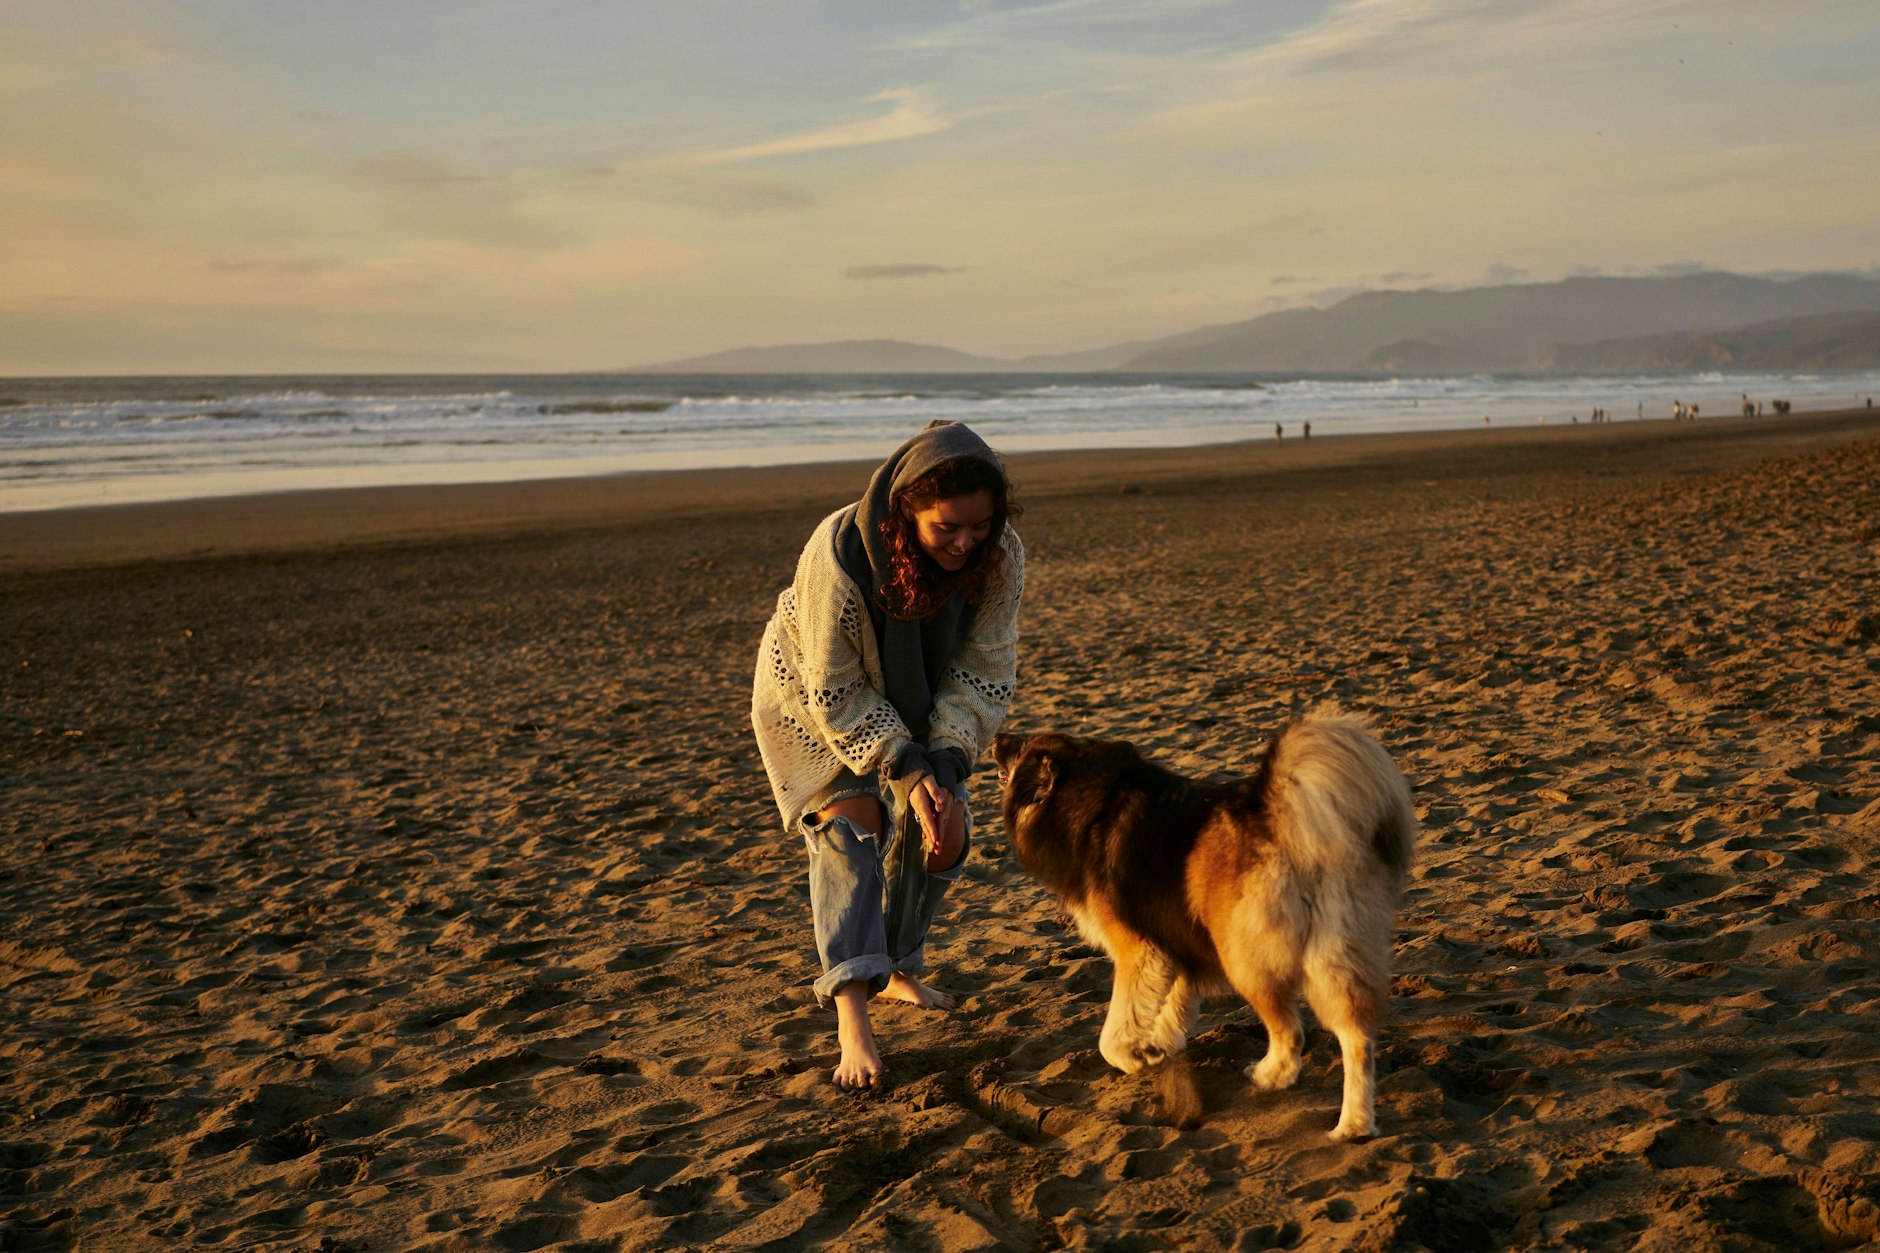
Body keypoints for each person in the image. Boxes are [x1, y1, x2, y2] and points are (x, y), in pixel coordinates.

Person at [750, 421, 1024, 1091]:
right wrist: (902, 764)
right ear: (908, 511)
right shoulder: (840, 556)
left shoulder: (1002, 557)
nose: (967, 542)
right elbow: (835, 690)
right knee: (853, 826)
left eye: (979, 527)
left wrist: (945, 765)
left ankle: (897, 966)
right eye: (947, 528)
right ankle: (853, 1017)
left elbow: (984, 671)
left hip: (924, 703)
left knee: (944, 833)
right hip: (812, 698)